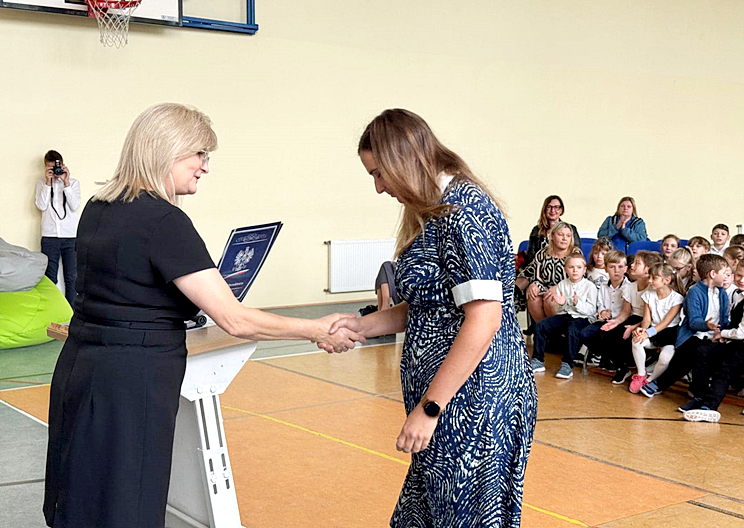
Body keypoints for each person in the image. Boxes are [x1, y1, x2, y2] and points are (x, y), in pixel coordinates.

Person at [43, 103, 363, 528]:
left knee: (82, 496)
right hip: (133, 379)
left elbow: (128, 288)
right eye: (199, 156)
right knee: (128, 502)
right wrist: (316, 327)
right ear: (169, 151)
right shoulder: (165, 221)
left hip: (82, 368)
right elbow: (236, 320)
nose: (204, 168)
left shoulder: (100, 209)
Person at [329, 108, 537, 527]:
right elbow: (435, 303)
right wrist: (364, 325)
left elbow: (484, 318)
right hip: (448, 402)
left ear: (404, 160)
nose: (379, 187)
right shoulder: (436, 209)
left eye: (379, 173)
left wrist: (429, 408)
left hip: (475, 403)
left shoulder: (465, 210)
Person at [641, 254, 729, 399]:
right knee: (689, 353)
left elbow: (724, 318)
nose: (726, 277)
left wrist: (722, 333)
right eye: (724, 274)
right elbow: (694, 322)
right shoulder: (694, 292)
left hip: (715, 336)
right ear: (713, 274)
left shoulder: (722, 293)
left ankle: (694, 389)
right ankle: (662, 384)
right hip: (694, 334)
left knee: (705, 353)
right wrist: (707, 325)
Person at [682, 263, 744, 422]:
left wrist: (722, 334)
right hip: (735, 340)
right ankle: (699, 396)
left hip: (742, 344)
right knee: (703, 351)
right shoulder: (737, 294)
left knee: (725, 369)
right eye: (739, 276)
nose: (741, 280)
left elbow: (742, 332)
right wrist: (723, 334)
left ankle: (709, 406)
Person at [530, 252, 598, 379]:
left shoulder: (590, 287)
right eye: (571, 267)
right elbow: (562, 308)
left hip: (583, 318)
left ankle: (567, 364)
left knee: (572, 330)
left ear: (584, 270)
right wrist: (562, 303)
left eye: (578, 267)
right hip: (566, 315)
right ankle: (538, 360)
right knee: (541, 326)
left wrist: (576, 303)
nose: (575, 270)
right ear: (566, 269)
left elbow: (591, 310)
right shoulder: (563, 284)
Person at [600, 250, 663, 384]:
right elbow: (625, 312)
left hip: (649, 321)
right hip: (634, 317)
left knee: (629, 337)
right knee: (607, 334)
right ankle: (622, 367)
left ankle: (645, 360)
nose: (632, 266)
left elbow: (650, 317)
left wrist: (636, 326)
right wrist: (615, 322)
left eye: (637, 263)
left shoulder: (652, 290)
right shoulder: (629, 288)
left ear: (647, 271)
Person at [35, 150, 81, 306]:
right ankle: (52, 313)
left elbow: (75, 206)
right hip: (50, 236)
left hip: (71, 236)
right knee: (50, 278)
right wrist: (48, 183)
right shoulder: (42, 183)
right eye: (50, 169)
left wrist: (66, 183)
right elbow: (41, 205)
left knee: (72, 278)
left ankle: (72, 316)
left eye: (56, 168)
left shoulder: (73, 183)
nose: (55, 172)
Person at [629, 264, 683, 393]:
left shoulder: (677, 299)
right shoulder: (648, 295)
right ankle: (641, 374)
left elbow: (665, 323)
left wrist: (647, 333)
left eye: (654, 278)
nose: (650, 281)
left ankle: (651, 379)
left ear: (667, 280)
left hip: (669, 333)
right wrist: (642, 330)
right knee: (636, 340)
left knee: (665, 358)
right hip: (653, 329)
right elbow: (647, 319)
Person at [577, 250, 629, 367]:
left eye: (620, 267)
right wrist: (602, 312)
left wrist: (612, 315)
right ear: (605, 269)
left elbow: (627, 311)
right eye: (612, 267)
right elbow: (600, 303)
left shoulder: (628, 287)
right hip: (603, 320)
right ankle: (600, 354)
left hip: (618, 322)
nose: (616, 270)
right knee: (584, 334)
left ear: (625, 269)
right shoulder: (603, 286)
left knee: (604, 335)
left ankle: (608, 358)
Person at [517, 222, 575, 323]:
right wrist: (534, 284)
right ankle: (544, 333)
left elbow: (576, 279)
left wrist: (559, 287)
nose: (565, 238)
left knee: (551, 300)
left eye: (568, 235)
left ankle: (558, 335)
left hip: (567, 289)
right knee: (532, 297)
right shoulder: (542, 253)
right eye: (560, 235)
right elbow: (537, 275)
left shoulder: (575, 254)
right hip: (546, 288)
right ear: (552, 236)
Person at [524, 195, 581, 265]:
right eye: (549, 207)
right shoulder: (536, 230)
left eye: (556, 207)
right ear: (545, 209)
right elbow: (531, 257)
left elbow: (577, 254)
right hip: (540, 269)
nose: (552, 210)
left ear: (561, 210)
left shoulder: (571, 229)